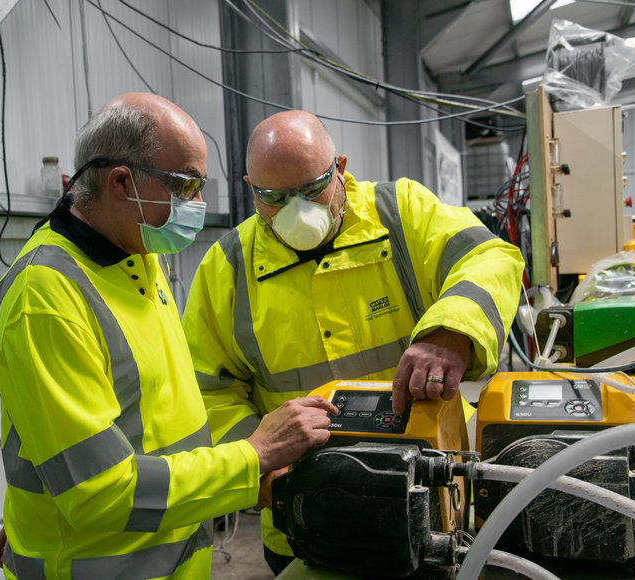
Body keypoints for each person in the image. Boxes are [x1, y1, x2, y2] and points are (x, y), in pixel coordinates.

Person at [0, 94, 338, 579]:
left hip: (171, 559)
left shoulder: (138, 258)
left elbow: (150, 422)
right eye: (186, 185)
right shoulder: (44, 298)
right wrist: (252, 457)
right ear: (121, 182)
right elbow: (100, 493)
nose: (196, 204)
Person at [181, 110, 524, 574]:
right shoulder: (228, 267)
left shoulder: (400, 214)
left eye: (310, 189)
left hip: (435, 496)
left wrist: (451, 333)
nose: (295, 210)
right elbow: (207, 390)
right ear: (250, 187)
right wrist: (261, 462)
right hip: (305, 514)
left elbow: (490, 256)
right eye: (274, 197)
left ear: (340, 167)